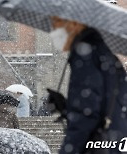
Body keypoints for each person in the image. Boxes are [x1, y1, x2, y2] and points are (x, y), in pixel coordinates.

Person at [47, 17, 127, 154]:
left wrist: (68, 150)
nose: (54, 29)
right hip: (114, 142)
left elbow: (86, 114)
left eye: (58, 23)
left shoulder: (85, 54)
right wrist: (66, 108)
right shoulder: (105, 54)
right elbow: (99, 105)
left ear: (74, 24)